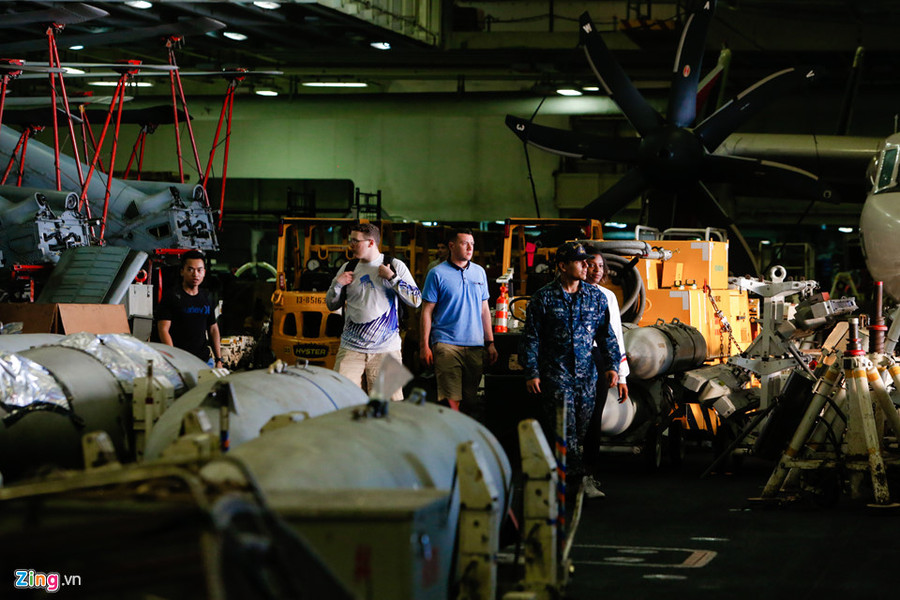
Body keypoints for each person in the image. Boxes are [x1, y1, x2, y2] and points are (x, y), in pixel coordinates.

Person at [520, 241, 620, 505]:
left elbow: (606, 335)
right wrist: (532, 371)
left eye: (587, 261)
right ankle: (576, 482)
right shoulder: (543, 298)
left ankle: (569, 479)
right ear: (563, 266)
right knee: (565, 431)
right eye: (580, 262)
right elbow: (531, 338)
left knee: (583, 431)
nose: (587, 266)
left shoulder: (596, 297)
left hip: (587, 376)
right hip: (556, 375)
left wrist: (613, 366)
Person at [325, 223, 421, 400]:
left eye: (355, 241)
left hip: (386, 349)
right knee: (342, 399)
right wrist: (337, 284)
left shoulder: (394, 266)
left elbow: (416, 300)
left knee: (388, 407)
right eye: (350, 240)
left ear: (371, 243)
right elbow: (330, 305)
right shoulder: (348, 267)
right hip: (350, 349)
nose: (351, 244)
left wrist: (392, 278)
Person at [420, 228, 499, 415]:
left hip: (475, 346)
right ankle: (449, 440)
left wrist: (490, 343)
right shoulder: (437, 273)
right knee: (451, 401)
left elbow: (484, 310)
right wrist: (425, 345)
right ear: (452, 246)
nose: (470, 248)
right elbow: (426, 311)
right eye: (464, 243)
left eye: (472, 244)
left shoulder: (479, 272)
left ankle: (465, 440)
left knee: (471, 401)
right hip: (446, 344)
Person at [582, 246, 630, 498]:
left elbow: (615, 338)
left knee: (593, 420)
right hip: (565, 364)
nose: (596, 271)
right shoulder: (559, 295)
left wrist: (620, 374)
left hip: (596, 359)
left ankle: (588, 476)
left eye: (600, 266)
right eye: (591, 265)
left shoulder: (606, 297)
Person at [156, 250, 223, 368]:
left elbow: (213, 328)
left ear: (204, 272)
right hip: (180, 362)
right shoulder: (171, 296)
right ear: (182, 271)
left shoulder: (206, 297)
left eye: (199, 270)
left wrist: (219, 359)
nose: (195, 274)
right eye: (190, 269)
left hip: (204, 361)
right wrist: (173, 359)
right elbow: (163, 329)